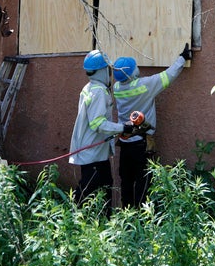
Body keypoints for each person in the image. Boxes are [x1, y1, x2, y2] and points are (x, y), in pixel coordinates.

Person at [112, 43, 192, 208]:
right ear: (132, 73)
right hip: (141, 143)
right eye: (135, 67)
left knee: (126, 181)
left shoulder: (117, 87)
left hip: (125, 143)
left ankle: (127, 215)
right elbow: (168, 75)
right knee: (143, 181)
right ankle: (142, 218)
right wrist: (182, 58)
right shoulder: (144, 86)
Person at [69, 49, 134, 210]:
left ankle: (104, 221)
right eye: (108, 69)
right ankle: (72, 220)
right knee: (89, 189)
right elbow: (98, 124)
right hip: (93, 154)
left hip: (95, 152)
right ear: (102, 70)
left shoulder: (90, 87)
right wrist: (123, 128)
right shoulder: (99, 92)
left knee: (105, 187)